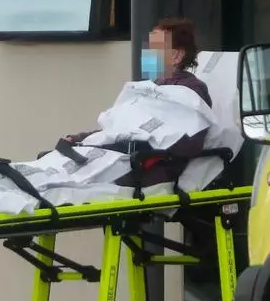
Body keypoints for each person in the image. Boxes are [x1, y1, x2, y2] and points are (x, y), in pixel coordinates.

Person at [62, 18, 213, 186]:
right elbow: (119, 128)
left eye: (155, 48)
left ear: (176, 56)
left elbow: (190, 143)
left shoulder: (191, 91)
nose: (148, 54)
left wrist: (144, 142)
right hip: (126, 159)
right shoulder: (149, 88)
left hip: (150, 167)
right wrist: (80, 139)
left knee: (81, 184)